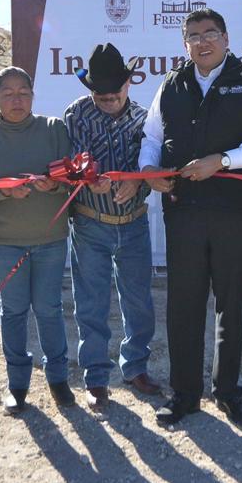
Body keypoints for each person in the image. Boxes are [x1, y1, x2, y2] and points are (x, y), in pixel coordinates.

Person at [139, 7, 242, 429]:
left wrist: (222, 161)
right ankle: (185, 394)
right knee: (182, 305)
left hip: (237, 212)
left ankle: (228, 392)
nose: (202, 42)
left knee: (230, 306)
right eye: (194, 36)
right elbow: (151, 136)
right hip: (183, 212)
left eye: (210, 34)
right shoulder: (171, 84)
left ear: (225, 37)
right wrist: (150, 172)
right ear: (184, 44)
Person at [0, 67, 74, 414]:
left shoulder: (54, 129)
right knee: (13, 311)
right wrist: (2, 192)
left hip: (50, 238)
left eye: (24, 91)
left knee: (49, 309)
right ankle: (17, 384)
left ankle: (59, 380)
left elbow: (72, 181)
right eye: (9, 93)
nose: (17, 99)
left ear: (33, 95)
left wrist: (53, 186)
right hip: (3, 241)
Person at [64, 43, 162, 411]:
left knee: (138, 301)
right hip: (90, 224)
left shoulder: (145, 118)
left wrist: (137, 180)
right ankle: (96, 377)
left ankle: (135, 366)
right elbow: (69, 165)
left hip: (134, 223)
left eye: (114, 94)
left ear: (128, 84)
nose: (107, 100)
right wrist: (87, 180)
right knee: (91, 303)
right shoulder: (74, 115)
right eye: (100, 95)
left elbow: (155, 163)